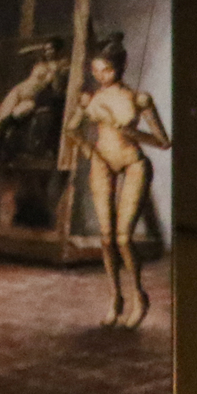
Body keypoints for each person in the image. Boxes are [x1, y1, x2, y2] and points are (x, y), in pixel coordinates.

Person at [68, 34, 169, 328]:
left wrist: (134, 134)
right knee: (107, 238)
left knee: (124, 237)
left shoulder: (138, 99)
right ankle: (115, 299)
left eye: (107, 71)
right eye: (96, 71)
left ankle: (139, 296)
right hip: (102, 163)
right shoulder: (91, 98)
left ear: (121, 68)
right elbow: (72, 129)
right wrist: (89, 151)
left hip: (132, 162)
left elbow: (164, 142)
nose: (101, 76)